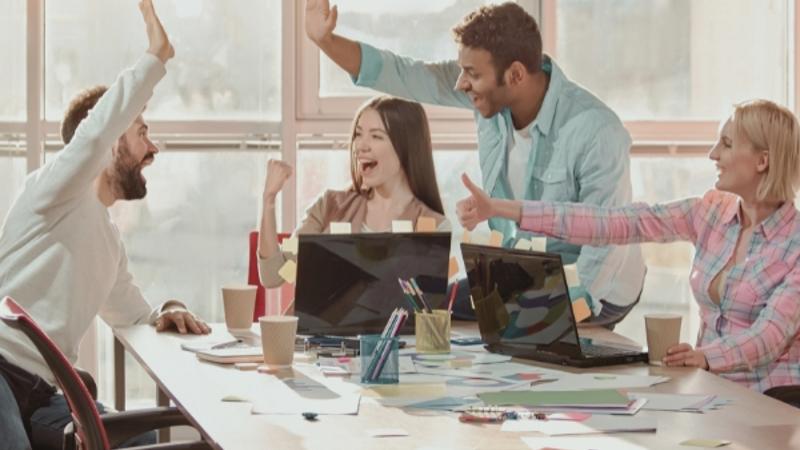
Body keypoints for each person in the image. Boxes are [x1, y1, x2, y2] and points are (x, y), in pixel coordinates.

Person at [304, 0, 646, 326]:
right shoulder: (492, 94)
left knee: (532, 350)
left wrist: (565, 317)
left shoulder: (596, 131)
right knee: (428, 306)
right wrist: (326, 41)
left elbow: (607, 241)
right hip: (528, 274)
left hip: (598, 286)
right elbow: (406, 74)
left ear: (514, 75)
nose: (459, 83)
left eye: (471, 73)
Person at [456, 99, 800, 395]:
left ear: (762, 161)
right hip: (712, 392)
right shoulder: (711, 212)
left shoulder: (795, 245)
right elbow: (615, 222)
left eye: (726, 143)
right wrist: (503, 208)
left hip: (769, 400)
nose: (713, 154)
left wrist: (709, 356)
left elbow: (770, 335)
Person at [0, 2, 210, 449]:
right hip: (0, 369)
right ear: (112, 139)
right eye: (141, 130)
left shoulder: (108, 238)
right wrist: (156, 57)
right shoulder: (54, 190)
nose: (152, 147)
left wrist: (163, 313)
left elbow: (130, 313)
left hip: (41, 391)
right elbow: (95, 132)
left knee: (140, 439)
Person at [259, 95, 448, 287]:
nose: (360, 146)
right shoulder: (330, 207)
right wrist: (269, 200)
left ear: (406, 147)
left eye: (376, 136)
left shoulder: (434, 226)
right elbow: (274, 276)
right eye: (358, 134)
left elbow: (428, 310)